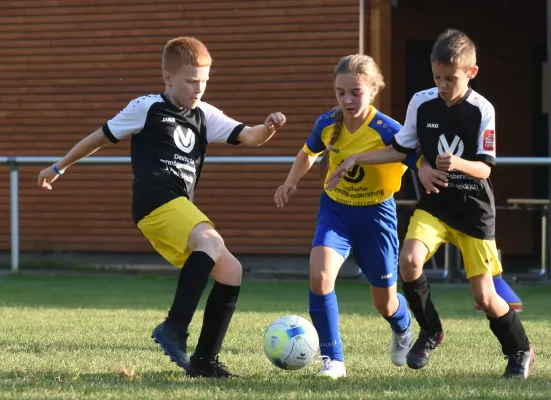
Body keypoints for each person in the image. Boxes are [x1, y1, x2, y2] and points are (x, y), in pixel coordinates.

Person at [37, 36, 286, 378]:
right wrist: (59, 166)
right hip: (155, 200)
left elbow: (251, 136)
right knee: (212, 242)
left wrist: (268, 128)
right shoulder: (147, 107)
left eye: (204, 81)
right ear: (168, 78)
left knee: (231, 271)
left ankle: (204, 361)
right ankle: (173, 327)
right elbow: (100, 135)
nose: (198, 88)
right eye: (190, 81)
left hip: (177, 206)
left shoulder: (204, 115)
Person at [326, 29, 534, 379]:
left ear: (471, 73)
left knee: (484, 297)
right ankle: (430, 330)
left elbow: (485, 166)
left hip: (474, 210)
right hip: (436, 204)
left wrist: (458, 164)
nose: (442, 85)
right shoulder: (421, 102)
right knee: (408, 261)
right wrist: (357, 159)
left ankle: (519, 350)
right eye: (437, 77)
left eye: (450, 79)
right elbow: (401, 149)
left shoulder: (483, 110)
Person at [274, 54, 420, 379]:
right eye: (341, 93)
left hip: (377, 217)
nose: (348, 99)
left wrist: (430, 175)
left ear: (373, 90)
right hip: (336, 212)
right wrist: (290, 181)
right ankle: (333, 360)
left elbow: (416, 159)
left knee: (385, 303)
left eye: (355, 92)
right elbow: (308, 152)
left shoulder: (388, 129)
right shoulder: (327, 123)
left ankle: (403, 326)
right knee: (320, 276)